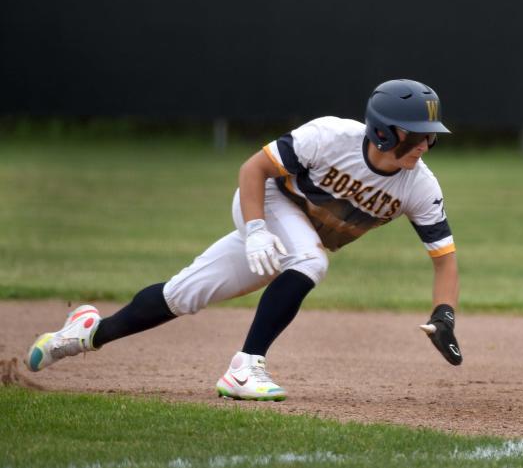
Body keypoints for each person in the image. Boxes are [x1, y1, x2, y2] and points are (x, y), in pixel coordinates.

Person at [26, 79, 463, 400]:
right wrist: (255, 229)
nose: (426, 144)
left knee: (183, 294)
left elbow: (443, 258)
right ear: (384, 131)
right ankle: (245, 367)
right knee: (310, 262)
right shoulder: (330, 136)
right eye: (417, 133)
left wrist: (444, 315)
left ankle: (82, 335)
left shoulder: (419, 187)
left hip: (295, 231)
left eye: (430, 136)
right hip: (266, 201)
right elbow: (255, 169)